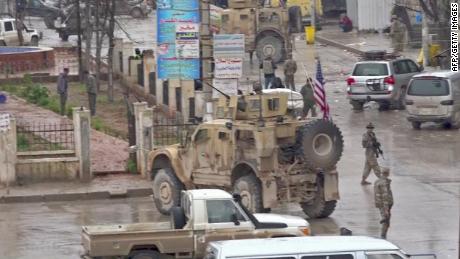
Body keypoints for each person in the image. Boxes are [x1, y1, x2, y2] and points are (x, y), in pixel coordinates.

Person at [374, 167, 393, 239]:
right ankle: (383, 236)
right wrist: (386, 209)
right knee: (386, 220)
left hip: (380, 204)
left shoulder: (378, 181)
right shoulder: (384, 183)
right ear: (387, 173)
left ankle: (383, 235)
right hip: (385, 205)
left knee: (386, 219)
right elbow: (385, 196)